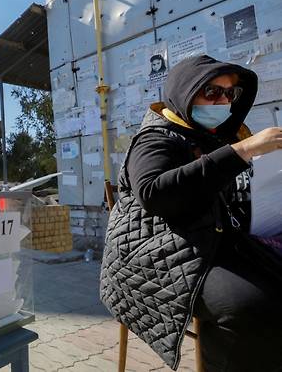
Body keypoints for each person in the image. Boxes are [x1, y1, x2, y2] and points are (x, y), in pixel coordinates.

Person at [100, 55, 282, 371]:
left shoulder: (216, 138)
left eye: (229, 93)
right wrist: (244, 151)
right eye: (211, 91)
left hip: (215, 240)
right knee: (249, 306)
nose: (222, 100)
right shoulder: (156, 137)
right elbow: (155, 194)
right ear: (186, 91)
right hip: (158, 253)